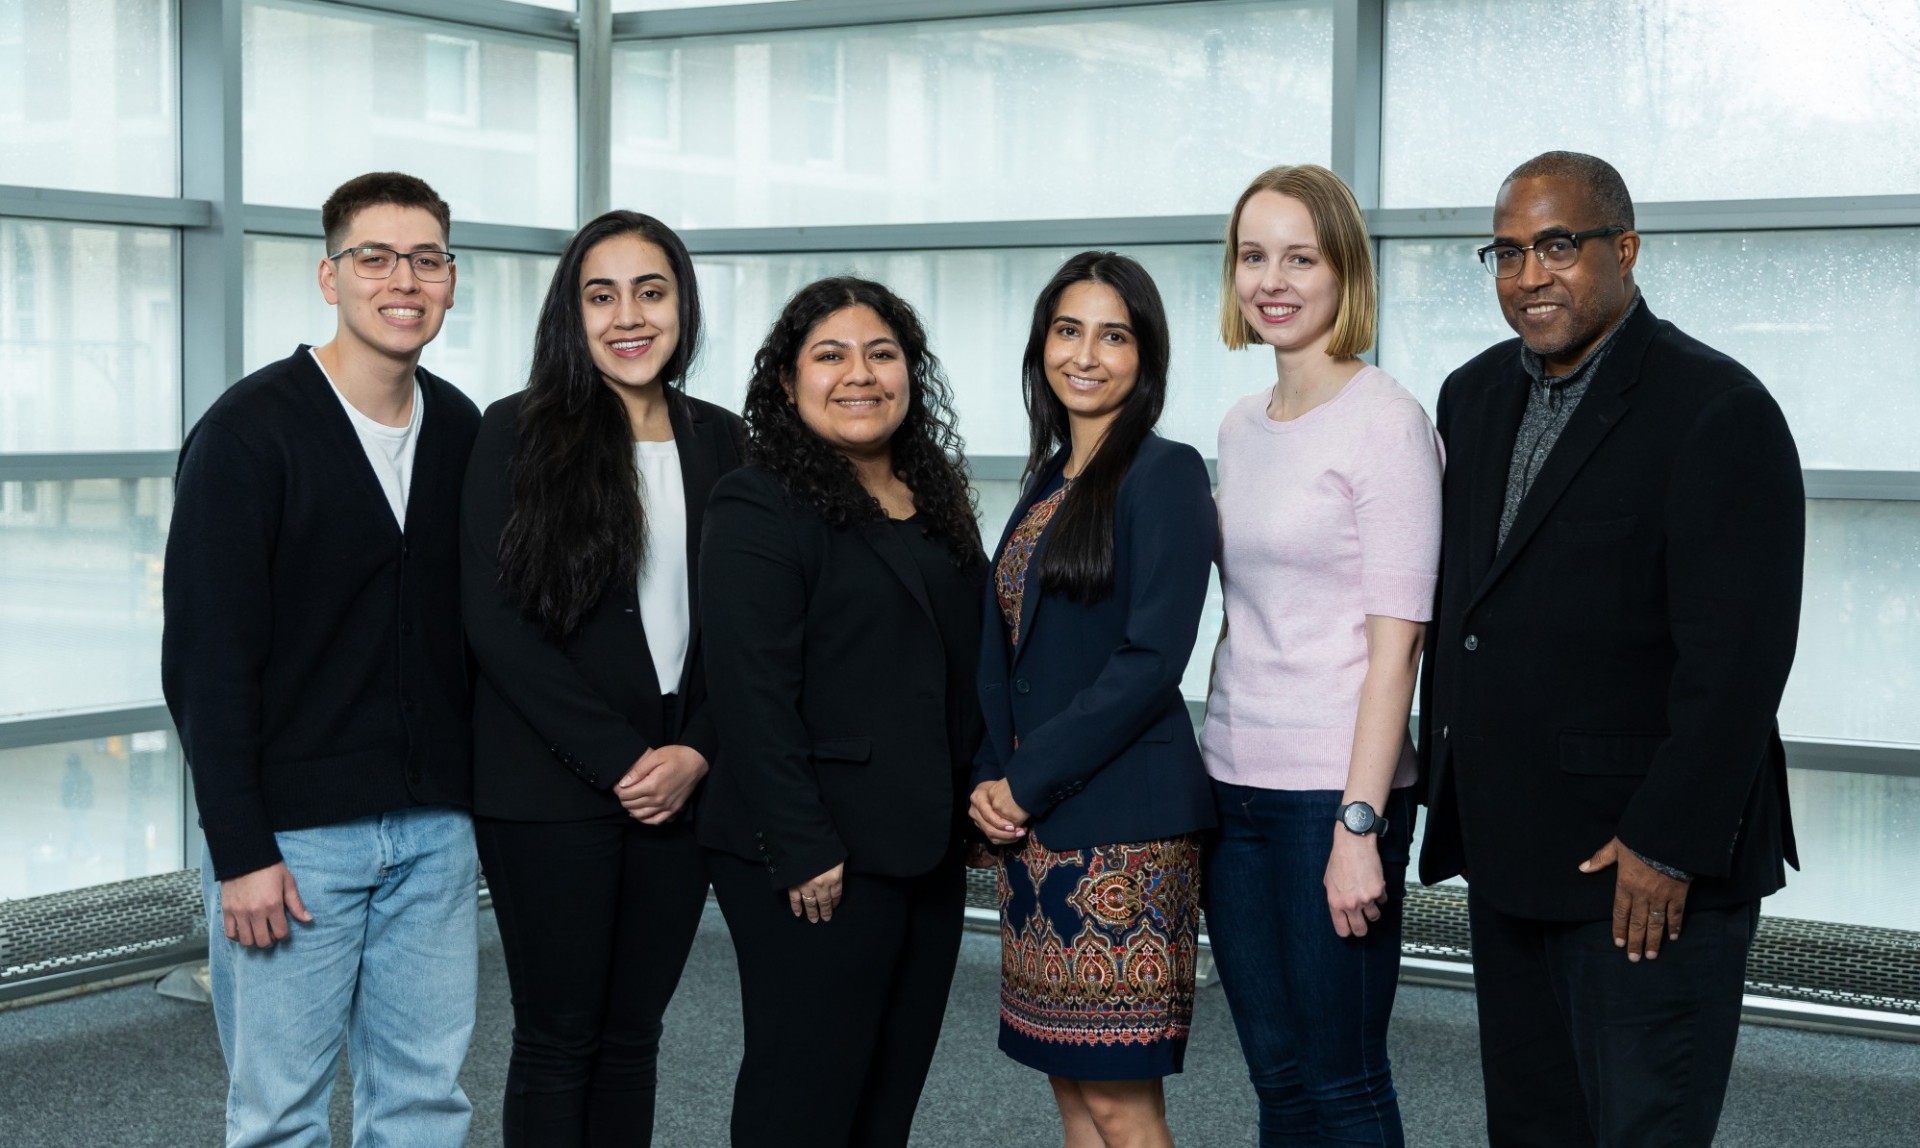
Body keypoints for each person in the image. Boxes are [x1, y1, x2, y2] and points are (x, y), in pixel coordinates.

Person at [1419, 151, 1804, 1147]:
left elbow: (1740, 662)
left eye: (1558, 245)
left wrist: (1667, 842)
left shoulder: (1716, 408)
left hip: (1645, 869)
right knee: (1533, 1128)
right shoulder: (1470, 396)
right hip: (1514, 855)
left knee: (1640, 1130)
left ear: (1625, 250)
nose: (1529, 274)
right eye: (1506, 251)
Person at [162, 171, 482, 1147]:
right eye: (375, 257)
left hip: (434, 831)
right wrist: (241, 850)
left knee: (425, 1097)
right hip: (293, 846)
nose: (404, 279)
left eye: (426, 259)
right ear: (328, 275)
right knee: (279, 1113)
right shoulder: (249, 434)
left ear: (451, 280)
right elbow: (204, 663)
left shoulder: (466, 428)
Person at [460, 210, 742, 1145]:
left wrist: (696, 749)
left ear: (682, 305)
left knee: (634, 1036)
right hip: (550, 786)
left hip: (682, 783)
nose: (629, 314)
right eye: (601, 293)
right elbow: (495, 623)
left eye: (650, 291)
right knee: (558, 1037)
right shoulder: (517, 432)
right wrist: (626, 759)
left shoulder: (726, 441)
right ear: (571, 314)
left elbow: (751, 629)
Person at [698, 276, 985, 1148]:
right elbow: (750, 693)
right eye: (830, 355)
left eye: (882, 353)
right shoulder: (756, 503)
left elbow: (959, 666)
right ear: (787, 383)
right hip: (814, 858)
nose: (859, 374)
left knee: (885, 1103)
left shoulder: (931, 498)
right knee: (803, 1102)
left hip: (921, 849)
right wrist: (803, 844)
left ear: (910, 373)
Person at [1200, 164, 1442, 1146]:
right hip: (1231, 784)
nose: (1274, 279)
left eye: (1301, 256)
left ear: (1345, 270)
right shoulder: (1240, 426)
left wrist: (1359, 823)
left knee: (1342, 1080)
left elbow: (1400, 647)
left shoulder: (1387, 419)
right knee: (1278, 1078)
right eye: (1254, 255)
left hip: (1329, 800)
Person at [970, 251, 1217, 1148]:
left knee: (1120, 1097)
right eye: (1068, 331)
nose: (1087, 354)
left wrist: (1027, 778)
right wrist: (993, 775)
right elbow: (1006, 651)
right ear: (1042, 346)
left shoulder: (1166, 472)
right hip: (1038, 834)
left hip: (1124, 834)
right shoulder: (1046, 480)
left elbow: (1151, 660)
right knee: (1071, 1084)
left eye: (1114, 335)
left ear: (1144, 356)